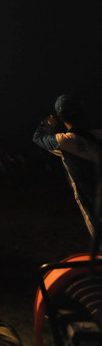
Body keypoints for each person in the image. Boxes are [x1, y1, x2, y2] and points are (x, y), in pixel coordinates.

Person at [33, 94, 102, 239]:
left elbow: (38, 138)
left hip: (91, 199)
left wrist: (48, 123)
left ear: (60, 117)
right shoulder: (98, 134)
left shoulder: (65, 141)